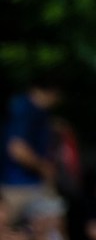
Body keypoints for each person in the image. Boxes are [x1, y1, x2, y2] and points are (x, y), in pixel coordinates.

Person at [2, 77, 62, 225]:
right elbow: (17, 149)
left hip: (29, 184)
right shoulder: (25, 109)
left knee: (50, 231)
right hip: (18, 186)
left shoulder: (35, 111)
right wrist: (44, 168)